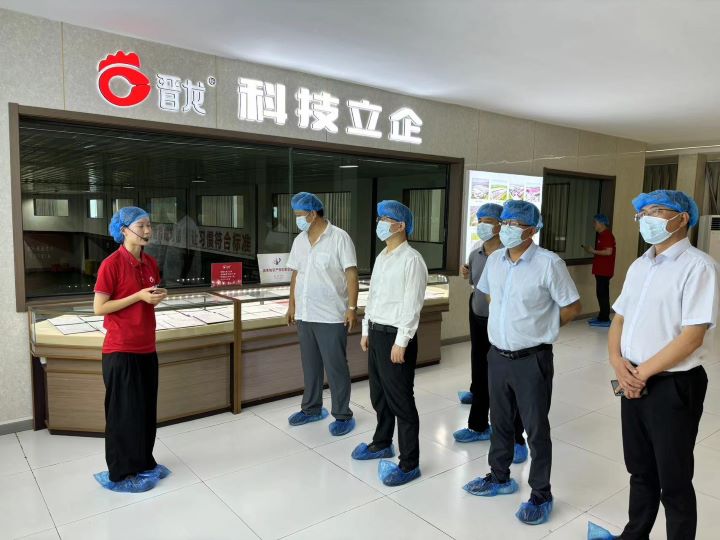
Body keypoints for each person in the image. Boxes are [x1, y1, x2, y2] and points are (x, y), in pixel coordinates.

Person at [589, 190, 719, 540]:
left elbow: (692, 337)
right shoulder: (640, 265)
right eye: (643, 213)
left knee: (674, 479)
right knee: (640, 469)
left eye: (657, 211)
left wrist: (640, 374)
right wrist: (617, 363)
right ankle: (635, 535)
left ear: (682, 218)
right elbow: (619, 317)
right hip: (631, 378)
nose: (647, 218)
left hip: (672, 385)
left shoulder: (699, 267)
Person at [463, 200, 581, 526]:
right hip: (497, 355)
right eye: (505, 222)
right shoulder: (495, 260)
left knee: (536, 428)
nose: (507, 228)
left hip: (532, 359)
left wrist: (542, 328)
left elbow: (571, 306)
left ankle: (541, 493)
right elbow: (490, 295)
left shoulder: (548, 263)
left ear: (532, 229)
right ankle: (499, 476)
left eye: (515, 224)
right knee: (500, 420)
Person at [92, 207, 171, 493]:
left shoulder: (149, 262)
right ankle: (121, 473)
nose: (148, 231)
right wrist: (137, 296)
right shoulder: (111, 265)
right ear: (124, 230)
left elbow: (146, 297)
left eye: (149, 225)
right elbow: (99, 307)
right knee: (123, 415)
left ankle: (144, 462)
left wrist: (157, 297)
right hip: (121, 350)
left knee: (145, 411)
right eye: (141, 226)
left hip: (146, 346)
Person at [351, 200, 428, 487]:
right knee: (379, 395)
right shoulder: (383, 257)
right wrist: (365, 329)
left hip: (397, 337)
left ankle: (409, 463)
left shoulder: (412, 260)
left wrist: (402, 341)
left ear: (401, 225)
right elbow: (373, 296)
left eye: (385, 219)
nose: (379, 223)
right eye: (379, 218)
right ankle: (382, 442)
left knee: (401, 400)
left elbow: (412, 304)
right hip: (377, 333)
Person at [454, 204, 528, 464]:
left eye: (487, 221)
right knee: (479, 370)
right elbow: (476, 285)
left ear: (501, 224)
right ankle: (477, 426)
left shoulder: (509, 256)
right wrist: (465, 272)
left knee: (507, 380)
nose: (481, 225)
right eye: (479, 220)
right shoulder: (476, 254)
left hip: (503, 325)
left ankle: (516, 438)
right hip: (478, 316)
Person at [286, 192, 359, 436]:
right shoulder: (299, 241)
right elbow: (296, 274)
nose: (297, 219)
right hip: (305, 314)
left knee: (336, 367)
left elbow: (351, 274)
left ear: (313, 214)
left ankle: (343, 414)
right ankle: (311, 409)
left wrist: (351, 308)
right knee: (311, 366)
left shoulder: (339, 238)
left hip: (331, 314)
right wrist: (292, 305)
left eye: (299, 215)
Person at [583, 214, 616, 328]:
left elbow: (608, 252)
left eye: (595, 222)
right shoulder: (601, 235)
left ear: (601, 223)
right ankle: (602, 316)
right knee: (600, 294)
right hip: (600, 270)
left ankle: (605, 318)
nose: (593, 225)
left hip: (604, 271)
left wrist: (593, 251)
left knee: (603, 294)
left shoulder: (607, 235)